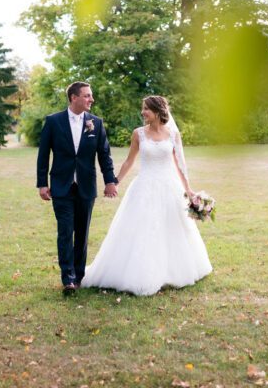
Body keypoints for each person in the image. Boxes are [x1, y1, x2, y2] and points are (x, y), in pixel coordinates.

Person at [81, 95, 212, 296]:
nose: (143, 112)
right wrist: (114, 182)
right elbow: (129, 161)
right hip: (144, 188)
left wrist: (189, 190)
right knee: (142, 229)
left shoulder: (173, 134)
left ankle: (172, 270)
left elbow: (180, 164)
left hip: (170, 188)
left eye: (146, 109)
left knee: (173, 228)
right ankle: (139, 273)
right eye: (142, 109)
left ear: (158, 111)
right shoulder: (138, 134)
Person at [36, 82, 118, 295]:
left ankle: (79, 275)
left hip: (86, 187)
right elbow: (43, 154)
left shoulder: (96, 123)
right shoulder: (53, 122)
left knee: (82, 232)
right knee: (65, 232)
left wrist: (110, 181)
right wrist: (42, 183)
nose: (91, 99)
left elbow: (104, 155)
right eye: (87, 95)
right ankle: (68, 279)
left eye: (91, 96)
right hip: (61, 187)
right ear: (74, 97)